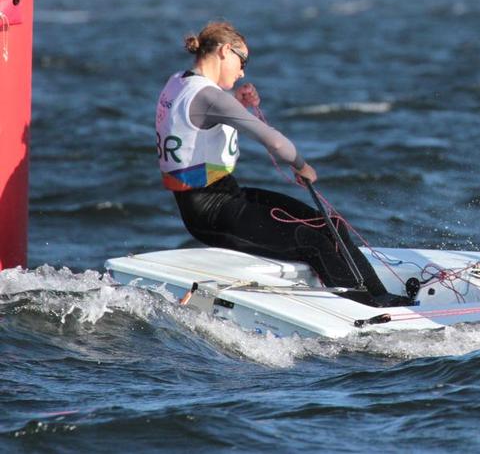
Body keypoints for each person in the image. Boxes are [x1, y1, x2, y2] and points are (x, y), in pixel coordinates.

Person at [155, 21, 395, 302]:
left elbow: (197, 120)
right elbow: (276, 143)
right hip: (209, 213)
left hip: (227, 196)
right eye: (241, 60)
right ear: (223, 51)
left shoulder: (179, 81)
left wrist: (235, 102)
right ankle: (365, 307)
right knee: (314, 241)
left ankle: (382, 297)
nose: (243, 70)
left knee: (332, 225)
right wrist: (302, 166)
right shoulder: (209, 96)